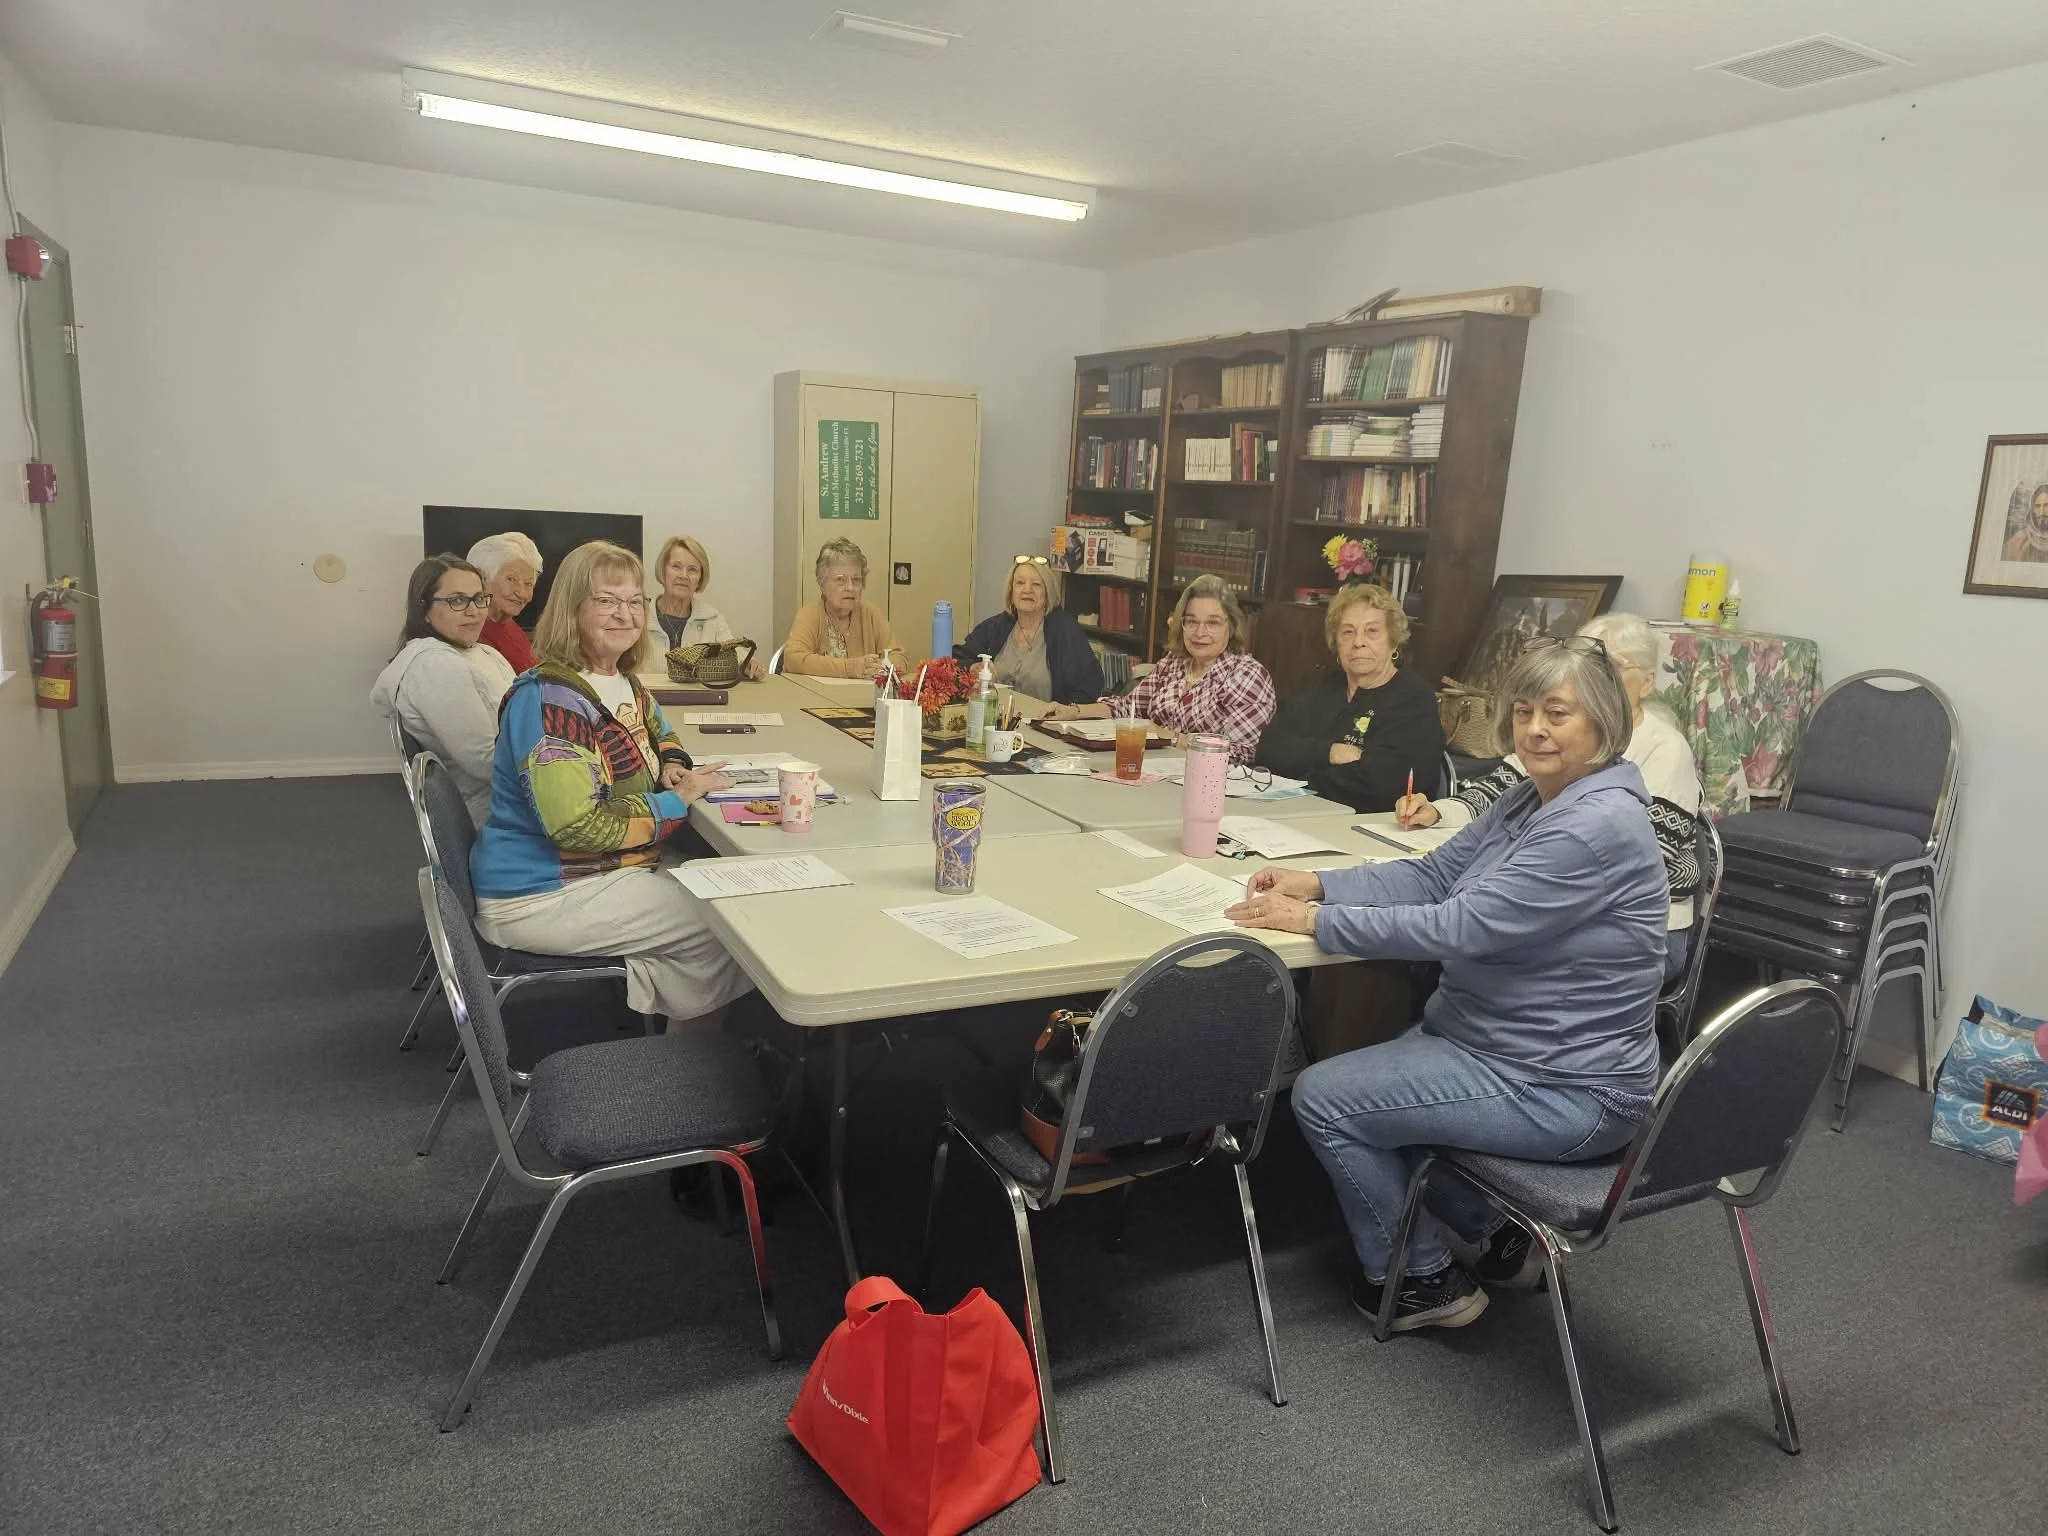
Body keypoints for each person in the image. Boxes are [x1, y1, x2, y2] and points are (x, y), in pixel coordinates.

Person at [1228, 639, 1666, 1332]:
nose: (1535, 730)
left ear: (1604, 723)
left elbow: (1456, 926)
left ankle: (1420, 1280)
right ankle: (1498, 1236)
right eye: (1524, 711)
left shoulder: (1593, 825)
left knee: (1325, 1099)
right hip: (1503, 1049)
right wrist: (1320, 881)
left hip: (1565, 1087)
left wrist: (1315, 920)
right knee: (1381, 1067)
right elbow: (1433, 876)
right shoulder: (1534, 798)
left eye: (1558, 713)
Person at [469, 541, 753, 1026]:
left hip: (601, 870)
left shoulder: (622, 680)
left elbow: (661, 731)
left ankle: (688, 1019)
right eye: (605, 600)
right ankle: (693, 1067)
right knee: (733, 927)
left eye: (633, 601)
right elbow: (578, 827)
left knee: (728, 888)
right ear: (572, 608)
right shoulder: (549, 700)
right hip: (543, 892)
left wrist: (672, 765)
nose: (624, 614)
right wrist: (673, 802)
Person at [1397, 612, 1703, 984]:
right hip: (1548, 903)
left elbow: (1645, 861)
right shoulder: (1551, 731)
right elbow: (1493, 792)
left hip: (1637, 937)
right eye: (1591, 663)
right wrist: (1438, 810)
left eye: (1612, 666)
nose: (1596, 675)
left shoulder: (1664, 748)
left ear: (1649, 683)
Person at [1040, 575, 1276, 764]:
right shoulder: (1174, 663)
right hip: (1155, 770)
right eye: (1191, 621)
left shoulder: (1247, 675)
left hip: (1208, 786)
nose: (1200, 632)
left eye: (1212, 622)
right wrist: (1073, 711)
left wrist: (1169, 738)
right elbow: (1127, 708)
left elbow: (1239, 753)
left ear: (1232, 626)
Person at [1256, 583, 1445, 812]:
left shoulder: (1413, 699)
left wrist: (1303, 774)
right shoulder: (1322, 686)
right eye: (1348, 632)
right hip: (1301, 813)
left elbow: (1382, 786)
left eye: (1372, 631)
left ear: (1393, 641)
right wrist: (1329, 752)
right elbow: (1269, 748)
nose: (1358, 642)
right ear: (1336, 644)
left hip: (1371, 828)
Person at [371, 554, 515, 825]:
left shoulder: (481, 652)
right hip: (499, 814)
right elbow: (486, 763)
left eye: (479, 598)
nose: (474, 611)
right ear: (424, 609)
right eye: (457, 601)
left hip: (515, 796)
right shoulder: (435, 666)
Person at [954, 555, 1104, 705]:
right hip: (994, 719)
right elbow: (955, 660)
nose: (1027, 590)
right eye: (1020, 583)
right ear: (1011, 592)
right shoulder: (996, 626)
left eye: (1036, 584)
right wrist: (974, 667)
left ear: (1047, 593)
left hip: (1043, 723)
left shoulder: (1065, 630)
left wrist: (1064, 710)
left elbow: (1092, 684)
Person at [782, 537, 910, 679]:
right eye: (840, 580)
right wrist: (849, 668)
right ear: (822, 584)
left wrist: (880, 666)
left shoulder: (871, 614)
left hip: (863, 698)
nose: (850, 588)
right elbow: (793, 660)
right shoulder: (809, 615)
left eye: (856, 580)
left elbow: (899, 657)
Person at [646, 535, 766, 677]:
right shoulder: (639, 615)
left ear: (700, 579)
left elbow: (735, 653)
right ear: (663, 571)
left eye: (692, 570)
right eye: (676, 567)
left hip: (697, 698)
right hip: (644, 697)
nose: (684, 575)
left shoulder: (712, 618)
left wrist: (748, 664)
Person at [466, 532, 543, 673]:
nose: (522, 593)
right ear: (481, 577)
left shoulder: (506, 622)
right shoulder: (470, 635)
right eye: (511, 579)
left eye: (528, 584)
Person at [2002, 483, 2048, 562]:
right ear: (2033, 510)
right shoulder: (2019, 541)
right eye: (2037, 506)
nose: (2041, 512)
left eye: (2046, 505)